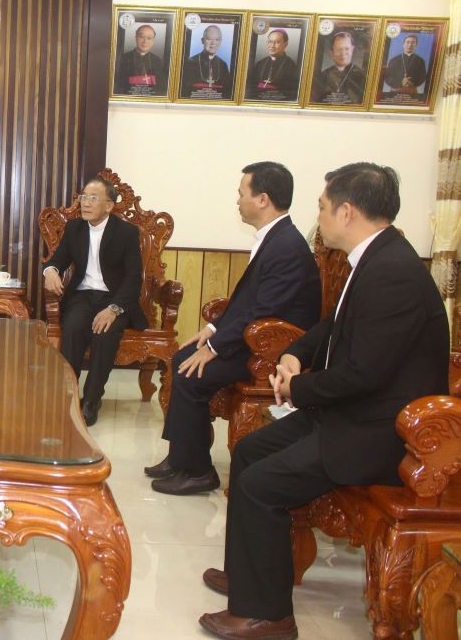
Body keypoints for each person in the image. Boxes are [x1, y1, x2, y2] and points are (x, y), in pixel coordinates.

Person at [198, 163, 449, 640]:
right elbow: (331, 328)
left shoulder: (392, 273)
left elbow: (364, 375)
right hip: (349, 413)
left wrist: (297, 389)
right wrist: (294, 354)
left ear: (347, 211)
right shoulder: (373, 258)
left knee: (260, 485)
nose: (319, 215)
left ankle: (268, 616)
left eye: (322, 206)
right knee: (250, 452)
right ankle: (249, 577)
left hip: (379, 433)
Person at [147, 162, 321, 495]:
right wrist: (213, 329)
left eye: (242, 193)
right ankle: (181, 457)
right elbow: (248, 303)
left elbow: (264, 310)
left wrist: (214, 349)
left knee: (189, 372)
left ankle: (198, 471)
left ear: (262, 199)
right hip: (255, 339)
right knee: (182, 357)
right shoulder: (275, 237)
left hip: (274, 351)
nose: (237, 200)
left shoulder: (285, 246)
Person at [43, 177, 147, 426]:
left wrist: (113, 309)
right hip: (82, 295)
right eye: (83, 197)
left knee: (105, 334)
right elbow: (57, 260)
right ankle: (68, 394)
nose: (85, 203)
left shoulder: (126, 233)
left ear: (109, 206)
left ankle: (91, 400)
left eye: (93, 198)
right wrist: (50, 272)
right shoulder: (74, 228)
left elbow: (133, 278)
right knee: (73, 328)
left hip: (115, 299)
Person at [311, 31, 366, 104]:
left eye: (347, 49)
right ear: (331, 53)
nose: (343, 54)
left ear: (352, 50)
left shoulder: (362, 77)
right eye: (339, 49)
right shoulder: (322, 76)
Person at [245, 29, 299, 101]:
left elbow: (292, 91)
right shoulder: (260, 63)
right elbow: (250, 86)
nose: (272, 46)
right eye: (270, 42)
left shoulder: (291, 65)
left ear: (285, 44)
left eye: (277, 42)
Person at [180, 25, 233, 99]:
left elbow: (227, 92)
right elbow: (183, 92)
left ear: (220, 42)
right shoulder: (190, 63)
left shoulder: (223, 65)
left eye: (217, 39)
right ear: (202, 41)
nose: (213, 43)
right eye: (209, 39)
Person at [114, 24, 165, 96]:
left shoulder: (157, 60)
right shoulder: (123, 58)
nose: (145, 41)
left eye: (149, 38)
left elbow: (160, 87)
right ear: (136, 38)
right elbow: (118, 86)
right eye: (141, 37)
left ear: (153, 41)